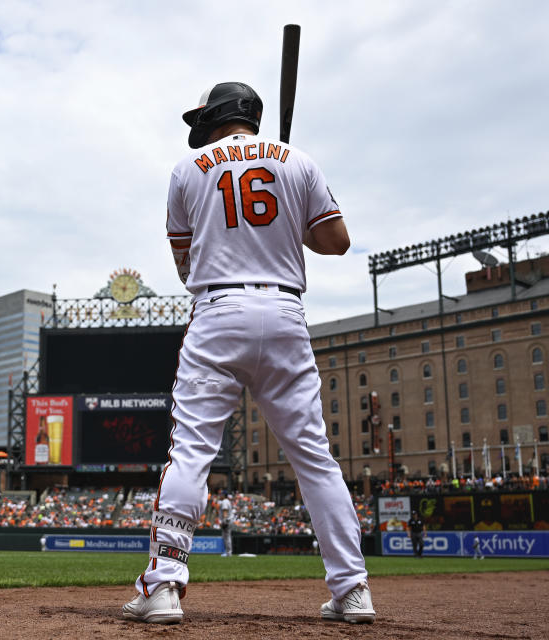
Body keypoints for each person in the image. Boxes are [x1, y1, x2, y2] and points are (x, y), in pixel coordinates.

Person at [122, 81, 374, 625]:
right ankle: (353, 591)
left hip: (217, 311)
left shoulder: (188, 169)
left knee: (191, 452)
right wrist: (290, 214)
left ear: (218, 116)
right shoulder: (297, 161)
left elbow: (186, 265)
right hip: (284, 313)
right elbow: (336, 242)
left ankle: (164, 586)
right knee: (314, 458)